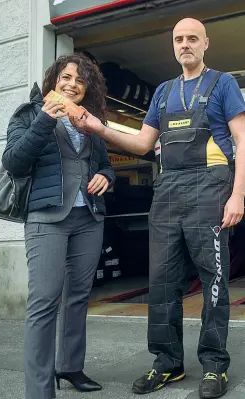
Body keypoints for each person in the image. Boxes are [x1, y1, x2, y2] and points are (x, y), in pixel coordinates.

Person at [69, 18, 245, 399]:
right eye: (179, 39)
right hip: (167, 191)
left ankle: (215, 366)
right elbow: (142, 144)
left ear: (205, 44)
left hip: (211, 187)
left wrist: (238, 195)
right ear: (173, 46)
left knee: (213, 280)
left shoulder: (223, 83)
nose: (185, 44)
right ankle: (168, 363)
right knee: (162, 282)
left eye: (192, 39)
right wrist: (97, 127)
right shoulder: (163, 92)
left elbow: (241, 138)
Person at [1, 53, 115, 399]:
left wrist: (104, 177)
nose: (72, 85)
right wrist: (44, 122)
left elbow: (106, 165)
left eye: (81, 80)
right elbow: (14, 162)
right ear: (54, 79)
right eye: (67, 77)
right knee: (44, 301)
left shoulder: (89, 122)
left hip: (88, 218)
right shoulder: (30, 113)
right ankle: (38, 390)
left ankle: (70, 367)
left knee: (78, 296)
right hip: (47, 218)